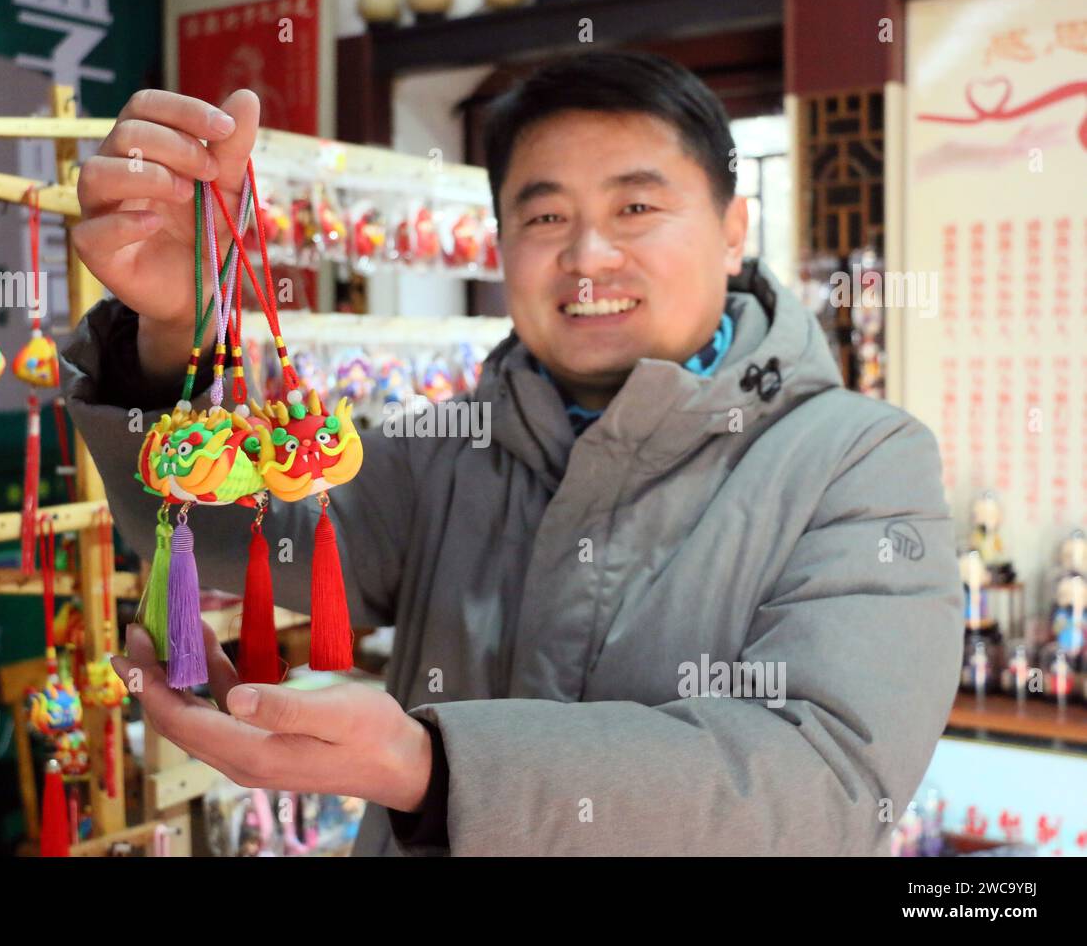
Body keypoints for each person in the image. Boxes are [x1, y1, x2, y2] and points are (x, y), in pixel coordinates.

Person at [61, 52, 962, 856]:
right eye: (545, 217)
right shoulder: (449, 448)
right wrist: (174, 329)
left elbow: (822, 785)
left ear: (734, 230)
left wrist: (438, 769)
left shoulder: (860, 461)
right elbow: (220, 532)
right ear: (500, 243)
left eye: (636, 206)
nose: (587, 255)